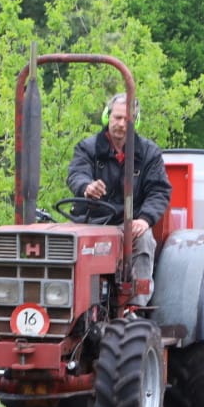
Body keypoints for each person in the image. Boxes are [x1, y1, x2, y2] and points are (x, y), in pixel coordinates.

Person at [66, 92, 173, 305]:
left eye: (127, 119)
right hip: (91, 221)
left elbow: (159, 190)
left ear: (136, 121)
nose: (121, 124)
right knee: (63, 242)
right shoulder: (87, 148)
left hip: (127, 224)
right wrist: (87, 187)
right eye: (117, 117)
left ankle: (135, 307)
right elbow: (76, 174)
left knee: (143, 240)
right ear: (107, 116)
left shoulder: (149, 154)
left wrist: (144, 219)